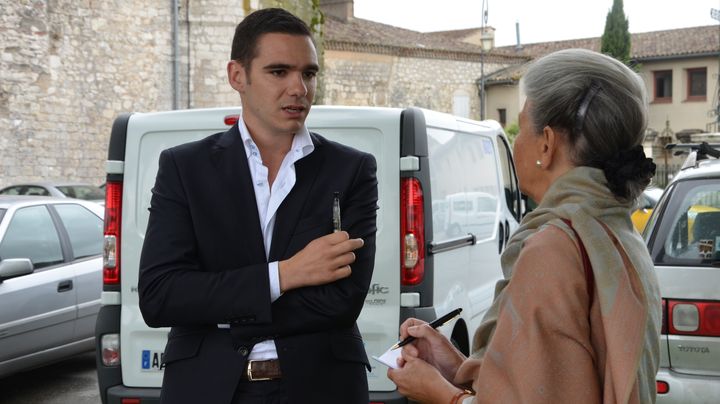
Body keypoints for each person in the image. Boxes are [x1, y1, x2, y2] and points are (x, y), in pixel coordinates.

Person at [387, 48, 662, 404]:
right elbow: (544, 380)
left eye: (522, 127)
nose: (515, 141)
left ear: (546, 144)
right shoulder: (617, 232)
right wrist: (453, 365)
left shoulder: (554, 248)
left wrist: (441, 395)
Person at [138, 8, 378, 404]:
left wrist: (220, 309)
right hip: (206, 387)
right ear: (238, 76)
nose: (299, 88)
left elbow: (342, 301)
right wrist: (284, 275)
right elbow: (161, 296)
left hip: (321, 387)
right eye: (279, 72)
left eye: (309, 73)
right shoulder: (185, 167)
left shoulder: (350, 170)